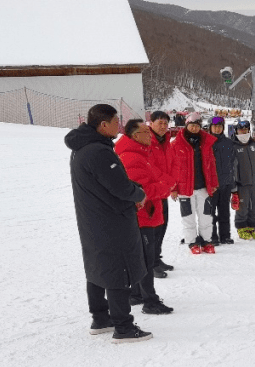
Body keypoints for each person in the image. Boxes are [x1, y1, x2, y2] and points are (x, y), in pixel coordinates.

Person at [65, 104, 152, 344]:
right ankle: (123, 326)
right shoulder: (98, 152)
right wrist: (139, 194)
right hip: (111, 219)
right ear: (103, 125)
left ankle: (101, 318)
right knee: (117, 269)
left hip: (92, 219)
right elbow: (121, 187)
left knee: (96, 267)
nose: (119, 126)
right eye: (116, 122)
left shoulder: (82, 148)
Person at [115, 119, 176, 315]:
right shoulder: (131, 157)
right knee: (146, 261)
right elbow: (141, 191)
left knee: (141, 258)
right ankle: (149, 300)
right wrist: (166, 188)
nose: (150, 136)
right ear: (135, 136)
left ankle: (137, 294)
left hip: (145, 214)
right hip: (142, 216)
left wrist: (166, 182)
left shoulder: (141, 154)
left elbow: (154, 177)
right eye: (145, 133)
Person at [169, 112, 220, 254]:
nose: (194, 128)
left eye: (197, 126)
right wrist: (173, 188)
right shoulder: (175, 144)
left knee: (206, 217)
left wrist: (214, 183)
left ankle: (207, 241)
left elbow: (212, 165)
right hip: (184, 189)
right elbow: (171, 168)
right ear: (186, 126)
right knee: (188, 218)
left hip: (203, 187)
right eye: (191, 125)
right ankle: (192, 242)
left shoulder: (205, 143)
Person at [148, 110, 177, 276]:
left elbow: (172, 163)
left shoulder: (166, 141)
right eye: (160, 123)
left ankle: (156, 258)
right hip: (153, 192)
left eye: (166, 123)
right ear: (151, 123)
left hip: (163, 191)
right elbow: (151, 167)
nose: (163, 126)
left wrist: (171, 183)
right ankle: (150, 264)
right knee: (152, 230)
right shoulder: (148, 141)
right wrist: (166, 180)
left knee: (162, 227)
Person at [232, 119, 255, 240]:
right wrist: (233, 186)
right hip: (241, 184)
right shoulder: (233, 146)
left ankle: (252, 228)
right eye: (241, 130)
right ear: (236, 131)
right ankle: (241, 228)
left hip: (254, 183)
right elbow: (232, 168)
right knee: (243, 207)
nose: (243, 132)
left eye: (246, 130)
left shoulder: (252, 144)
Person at [207, 116, 238, 245]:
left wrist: (232, 182)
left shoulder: (229, 143)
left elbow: (233, 163)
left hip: (225, 183)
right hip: (211, 185)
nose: (217, 128)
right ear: (210, 127)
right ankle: (212, 237)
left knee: (224, 212)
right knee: (210, 213)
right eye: (214, 126)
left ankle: (225, 236)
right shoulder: (206, 142)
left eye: (220, 126)